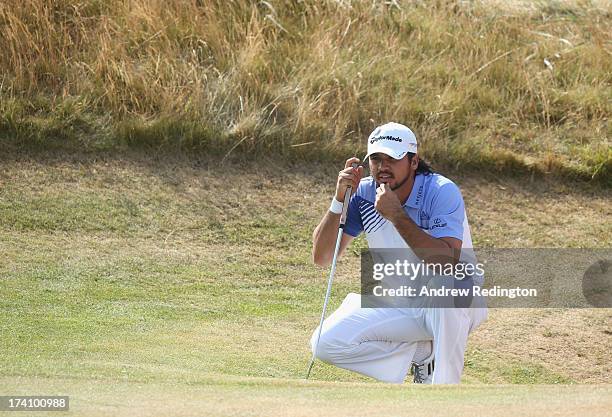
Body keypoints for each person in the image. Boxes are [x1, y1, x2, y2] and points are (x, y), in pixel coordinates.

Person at [310, 122, 487, 384]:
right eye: (377, 159)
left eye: (393, 158)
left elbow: (447, 263)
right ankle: (424, 353)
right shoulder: (364, 194)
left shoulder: (441, 191)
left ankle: (445, 392)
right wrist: (339, 201)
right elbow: (322, 258)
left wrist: (397, 216)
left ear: (413, 162)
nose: (383, 166)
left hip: (456, 301)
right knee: (325, 343)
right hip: (400, 303)